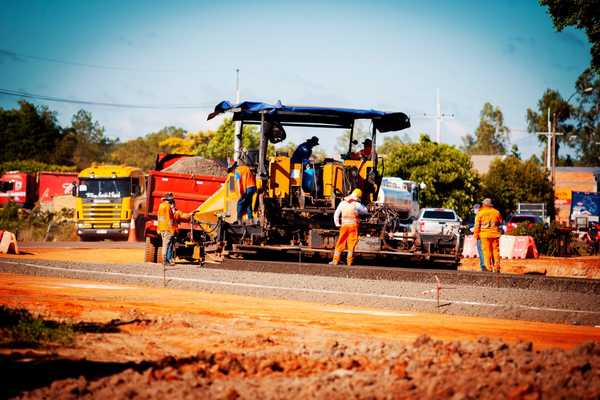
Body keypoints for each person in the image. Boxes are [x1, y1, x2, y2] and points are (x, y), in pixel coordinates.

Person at [330, 188, 369, 266]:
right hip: (353, 227)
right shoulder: (357, 204)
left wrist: (337, 224)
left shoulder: (342, 203)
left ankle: (335, 261)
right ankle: (349, 262)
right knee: (351, 244)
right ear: (358, 197)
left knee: (340, 242)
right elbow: (365, 211)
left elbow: (336, 214)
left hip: (344, 226)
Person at [473, 198, 503, 273]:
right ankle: (497, 267)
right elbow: (500, 222)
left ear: (484, 205)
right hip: (495, 234)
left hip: (484, 236)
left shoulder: (480, 213)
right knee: (495, 251)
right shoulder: (496, 212)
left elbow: (477, 226)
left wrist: (476, 235)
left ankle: (488, 268)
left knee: (486, 252)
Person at [235, 158, 257, 224]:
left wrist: (239, 193)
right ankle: (251, 220)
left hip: (247, 189)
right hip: (253, 188)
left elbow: (238, 182)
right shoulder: (247, 168)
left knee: (240, 203)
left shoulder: (237, 170)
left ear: (238, 164)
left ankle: (239, 220)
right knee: (248, 203)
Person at [157, 192, 176, 265]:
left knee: (164, 244)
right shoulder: (168, 207)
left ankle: (164, 260)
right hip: (167, 229)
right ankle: (165, 261)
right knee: (166, 245)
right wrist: (171, 230)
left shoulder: (160, 206)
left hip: (161, 228)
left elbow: (159, 217)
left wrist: (158, 228)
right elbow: (170, 219)